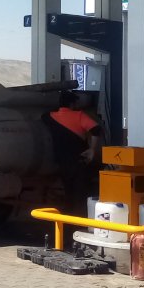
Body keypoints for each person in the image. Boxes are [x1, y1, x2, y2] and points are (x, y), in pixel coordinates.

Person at [47, 91, 103, 219]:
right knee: (80, 193)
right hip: (79, 161)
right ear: (73, 104)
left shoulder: (50, 117)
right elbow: (96, 129)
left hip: (61, 162)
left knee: (68, 192)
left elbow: (43, 115)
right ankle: (80, 220)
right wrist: (92, 149)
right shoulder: (79, 116)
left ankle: (67, 221)